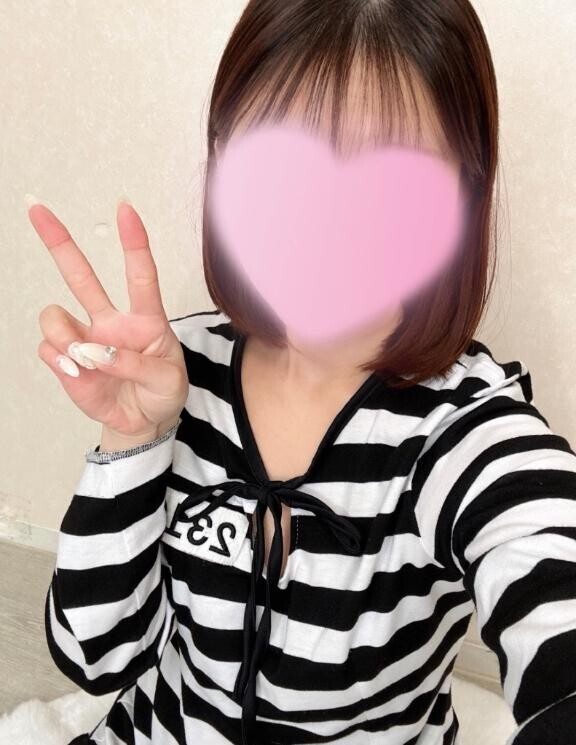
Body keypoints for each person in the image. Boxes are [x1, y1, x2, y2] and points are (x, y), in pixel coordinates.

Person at [30, 2, 576, 744]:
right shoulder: (176, 372)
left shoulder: (464, 431)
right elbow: (94, 657)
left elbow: (544, 557)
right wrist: (132, 441)